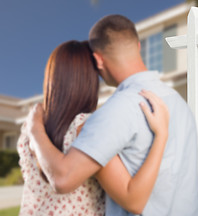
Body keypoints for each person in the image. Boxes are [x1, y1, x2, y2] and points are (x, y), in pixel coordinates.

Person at [27, 15, 198, 215]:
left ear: (98, 60)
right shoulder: (178, 103)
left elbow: (63, 179)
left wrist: (34, 129)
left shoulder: (116, 110)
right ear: (137, 46)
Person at [19, 40, 170, 215]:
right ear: (90, 81)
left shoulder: (31, 127)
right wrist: (161, 134)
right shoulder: (86, 127)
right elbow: (133, 200)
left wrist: (34, 129)